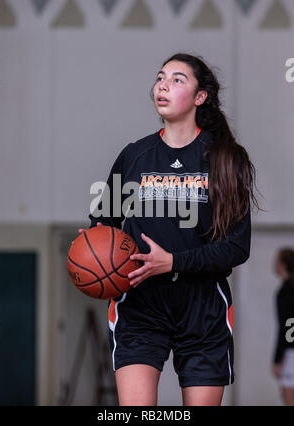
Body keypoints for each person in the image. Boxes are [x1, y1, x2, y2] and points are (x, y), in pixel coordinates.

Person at [86, 53, 260, 406]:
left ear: (200, 97)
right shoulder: (135, 155)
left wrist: (174, 262)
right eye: (161, 77)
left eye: (178, 79)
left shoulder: (226, 159)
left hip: (203, 305)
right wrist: (94, 247)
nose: (163, 84)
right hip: (139, 303)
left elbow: (237, 247)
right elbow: (103, 221)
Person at [272, 248, 294, 406]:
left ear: (283, 265)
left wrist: (277, 358)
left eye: (277, 260)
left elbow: (286, 326)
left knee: (288, 396)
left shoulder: (284, 292)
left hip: (291, 352)